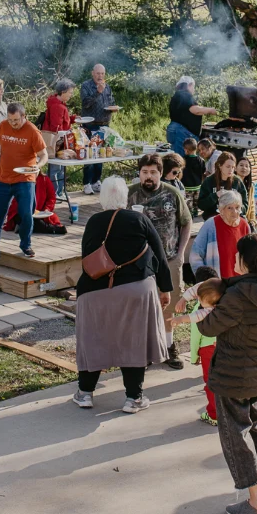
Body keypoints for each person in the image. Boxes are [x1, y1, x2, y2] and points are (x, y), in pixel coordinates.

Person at [196, 233, 257, 514]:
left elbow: (208, 329)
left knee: (235, 435)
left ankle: (255, 501)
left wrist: (208, 307)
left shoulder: (235, 295)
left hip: (231, 374)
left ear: (244, 261)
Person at [72, 177, 171, 413]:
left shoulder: (94, 222)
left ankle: (85, 393)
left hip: (94, 291)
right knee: (133, 341)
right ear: (125, 198)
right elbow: (160, 255)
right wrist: (165, 288)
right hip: (136, 288)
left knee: (93, 338)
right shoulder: (139, 219)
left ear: (102, 198)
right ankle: (133, 398)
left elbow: (87, 255)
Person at [127, 153, 193, 370]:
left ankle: (168, 347)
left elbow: (186, 222)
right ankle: (145, 350)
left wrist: (181, 251)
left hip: (170, 258)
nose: (149, 177)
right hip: (139, 261)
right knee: (142, 306)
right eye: (145, 172)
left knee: (169, 306)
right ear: (139, 173)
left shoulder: (172, 193)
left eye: (153, 172)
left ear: (160, 173)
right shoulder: (130, 194)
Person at [0, 103, 49, 261]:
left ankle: (26, 245)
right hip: (2, 178)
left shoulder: (32, 131)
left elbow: (44, 155)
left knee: (25, 214)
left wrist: (37, 166)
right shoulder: (3, 126)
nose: (13, 123)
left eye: (16, 120)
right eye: (10, 120)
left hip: (25, 178)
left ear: (24, 116)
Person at [170, 268, 224, 426]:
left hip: (208, 350)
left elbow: (195, 337)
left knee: (211, 383)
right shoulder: (224, 303)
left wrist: (194, 356)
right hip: (225, 347)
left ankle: (213, 415)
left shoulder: (201, 310)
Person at [190, 190, 252, 278]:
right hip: (217, 284)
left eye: (237, 207)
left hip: (240, 283)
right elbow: (195, 255)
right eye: (229, 208)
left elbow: (250, 255)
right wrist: (205, 279)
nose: (234, 211)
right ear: (221, 210)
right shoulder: (210, 225)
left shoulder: (244, 225)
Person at [79, 64, 114, 194]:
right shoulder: (86, 86)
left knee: (101, 153)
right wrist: (97, 92)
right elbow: (85, 103)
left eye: (102, 74)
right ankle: (87, 182)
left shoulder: (107, 87)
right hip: (90, 125)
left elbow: (111, 101)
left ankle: (96, 181)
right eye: (98, 73)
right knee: (90, 154)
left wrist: (113, 108)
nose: (100, 76)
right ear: (92, 73)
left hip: (104, 125)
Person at [44, 78, 78, 199]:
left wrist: (73, 119)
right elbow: (56, 128)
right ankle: (55, 193)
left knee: (60, 168)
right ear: (63, 91)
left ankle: (58, 192)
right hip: (56, 142)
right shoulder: (57, 106)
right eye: (70, 92)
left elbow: (63, 121)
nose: (71, 95)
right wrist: (70, 131)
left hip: (58, 141)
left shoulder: (59, 104)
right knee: (56, 168)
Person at [167, 76, 218, 155]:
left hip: (175, 130)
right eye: (193, 87)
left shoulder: (177, 96)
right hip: (182, 133)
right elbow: (195, 110)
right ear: (189, 85)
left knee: (175, 158)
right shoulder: (185, 95)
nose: (194, 90)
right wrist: (210, 110)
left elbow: (185, 114)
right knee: (183, 160)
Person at [197, 152, 250, 220]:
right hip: (213, 218)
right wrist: (215, 195)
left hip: (233, 219)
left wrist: (235, 206)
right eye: (228, 166)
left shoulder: (237, 181)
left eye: (233, 167)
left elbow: (245, 205)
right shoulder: (209, 181)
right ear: (220, 166)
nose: (231, 170)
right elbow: (201, 205)